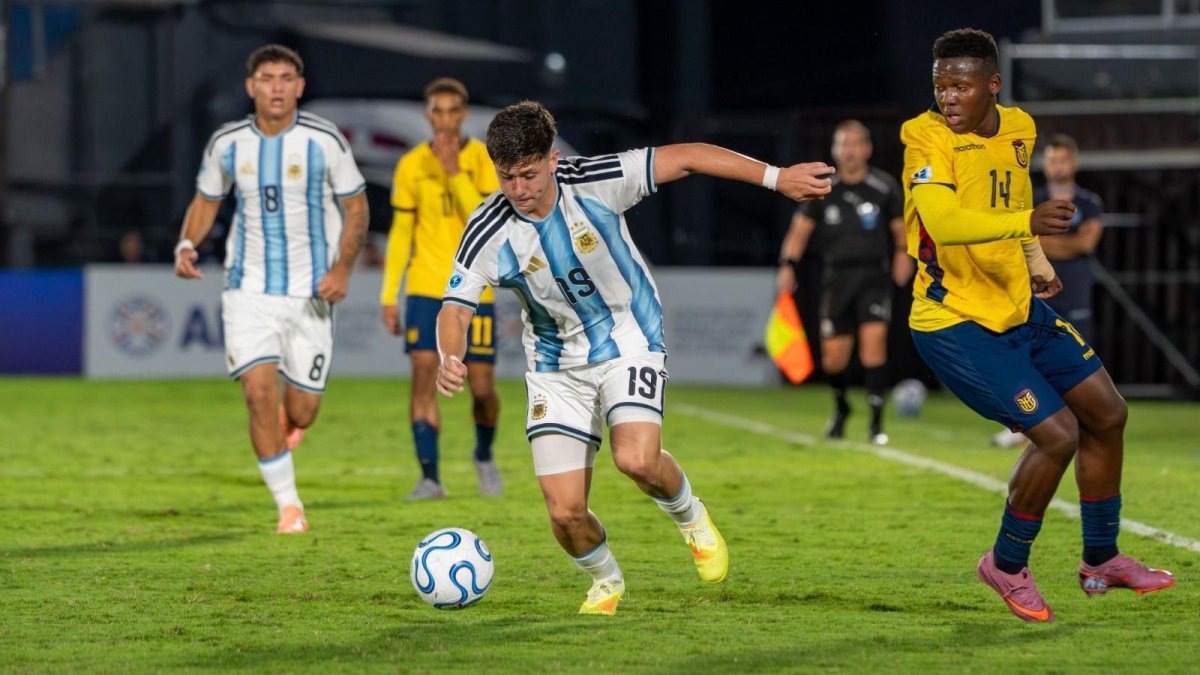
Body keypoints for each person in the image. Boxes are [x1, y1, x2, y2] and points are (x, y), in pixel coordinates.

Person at [435, 100, 833, 614]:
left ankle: (690, 516)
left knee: (637, 459)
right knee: (564, 512)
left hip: (629, 337)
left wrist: (776, 178)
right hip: (555, 368)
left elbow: (689, 156)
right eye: (507, 177)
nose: (519, 189)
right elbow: (456, 309)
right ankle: (605, 580)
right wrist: (451, 355)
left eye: (529, 174)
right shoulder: (488, 229)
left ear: (553, 159)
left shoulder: (597, 181)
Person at [901, 28, 1173, 623]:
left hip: (1019, 306)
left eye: (961, 86)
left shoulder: (1020, 130)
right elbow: (943, 223)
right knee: (1057, 434)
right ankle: (1005, 563)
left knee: (1108, 413)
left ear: (992, 86)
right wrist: (1029, 221)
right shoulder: (923, 138)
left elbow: (1007, 209)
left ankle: (1101, 558)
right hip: (954, 321)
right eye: (940, 85)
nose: (947, 97)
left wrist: (1036, 263)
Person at [174, 44, 368, 534]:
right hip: (249, 290)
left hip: (312, 294)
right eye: (267, 77)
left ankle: (291, 426)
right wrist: (186, 243)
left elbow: (358, 207)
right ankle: (290, 507)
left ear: (300, 86)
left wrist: (343, 269)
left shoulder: (324, 140)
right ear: (251, 86)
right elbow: (206, 200)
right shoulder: (228, 143)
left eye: (286, 77)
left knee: (302, 411)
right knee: (258, 394)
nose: (277, 86)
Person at [380, 77, 504, 500]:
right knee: (422, 376)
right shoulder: (411, 164)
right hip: (424, 286)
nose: (446, 120)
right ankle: (430, 477)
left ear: (464, 114)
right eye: (438, 111)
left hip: (475, 288)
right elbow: (400, 234)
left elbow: (486, 218)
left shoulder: (483, 160)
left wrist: (455, 173)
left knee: (482, 387)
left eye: (454, 111)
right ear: (427, 114)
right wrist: (388, 295)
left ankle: (484, 456)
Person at [776, 120, 913, 444]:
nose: (849, 150)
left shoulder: (884, 187)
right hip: (836, 278)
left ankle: (877, 424)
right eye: (842, 144)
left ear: (867, 149)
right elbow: (799, 231)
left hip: (873, 277)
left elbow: (900, 228)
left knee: (873, 348)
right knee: (834, 358)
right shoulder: (823, 188)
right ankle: (841, 409)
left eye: (855, 144)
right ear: (835, 150)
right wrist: (787, 264)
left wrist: (903, 255)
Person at [992, 132, 1105, 449]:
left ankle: (1073, 425)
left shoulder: (1088, 202)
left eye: (1064, 159)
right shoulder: (1033, 199)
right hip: (1035, 293)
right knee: (1029, 362)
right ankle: (1028, 427)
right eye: (1053, 159)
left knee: (1074, 365)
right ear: (1046, 163)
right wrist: (1041, 243)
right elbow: (1015, 240)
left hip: (1076, 293)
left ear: (1075, 162)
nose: (1058, 165)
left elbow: (1085, 243)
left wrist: (1036, 241)